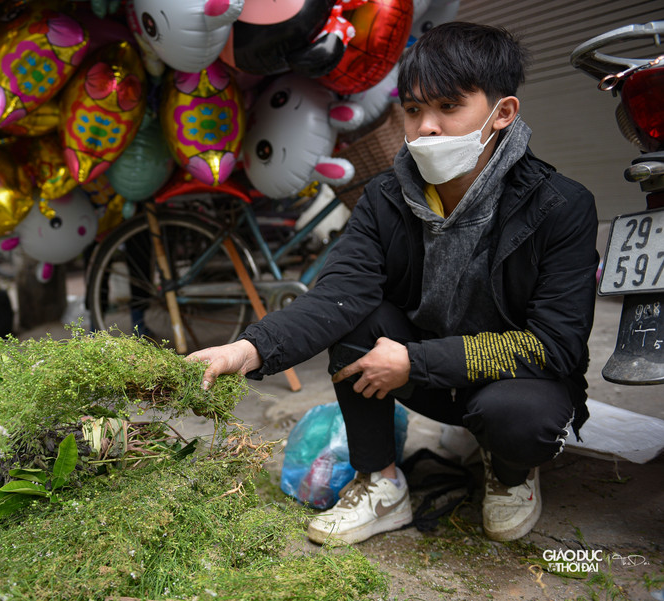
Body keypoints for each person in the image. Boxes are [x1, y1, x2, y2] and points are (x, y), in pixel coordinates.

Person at [188, 22, 599, 544]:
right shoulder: (385, 197)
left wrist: (417, 361)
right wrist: (246, 350)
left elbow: (555, 346)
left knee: (518, 419)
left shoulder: (561, 206)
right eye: (413, 109)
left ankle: (511, 472)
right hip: (426, 378)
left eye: (449, 107)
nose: (426, 127)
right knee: (355, 318)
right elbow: (338, 296)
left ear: (503, 113)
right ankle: (380, 482)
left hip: (507, 384)